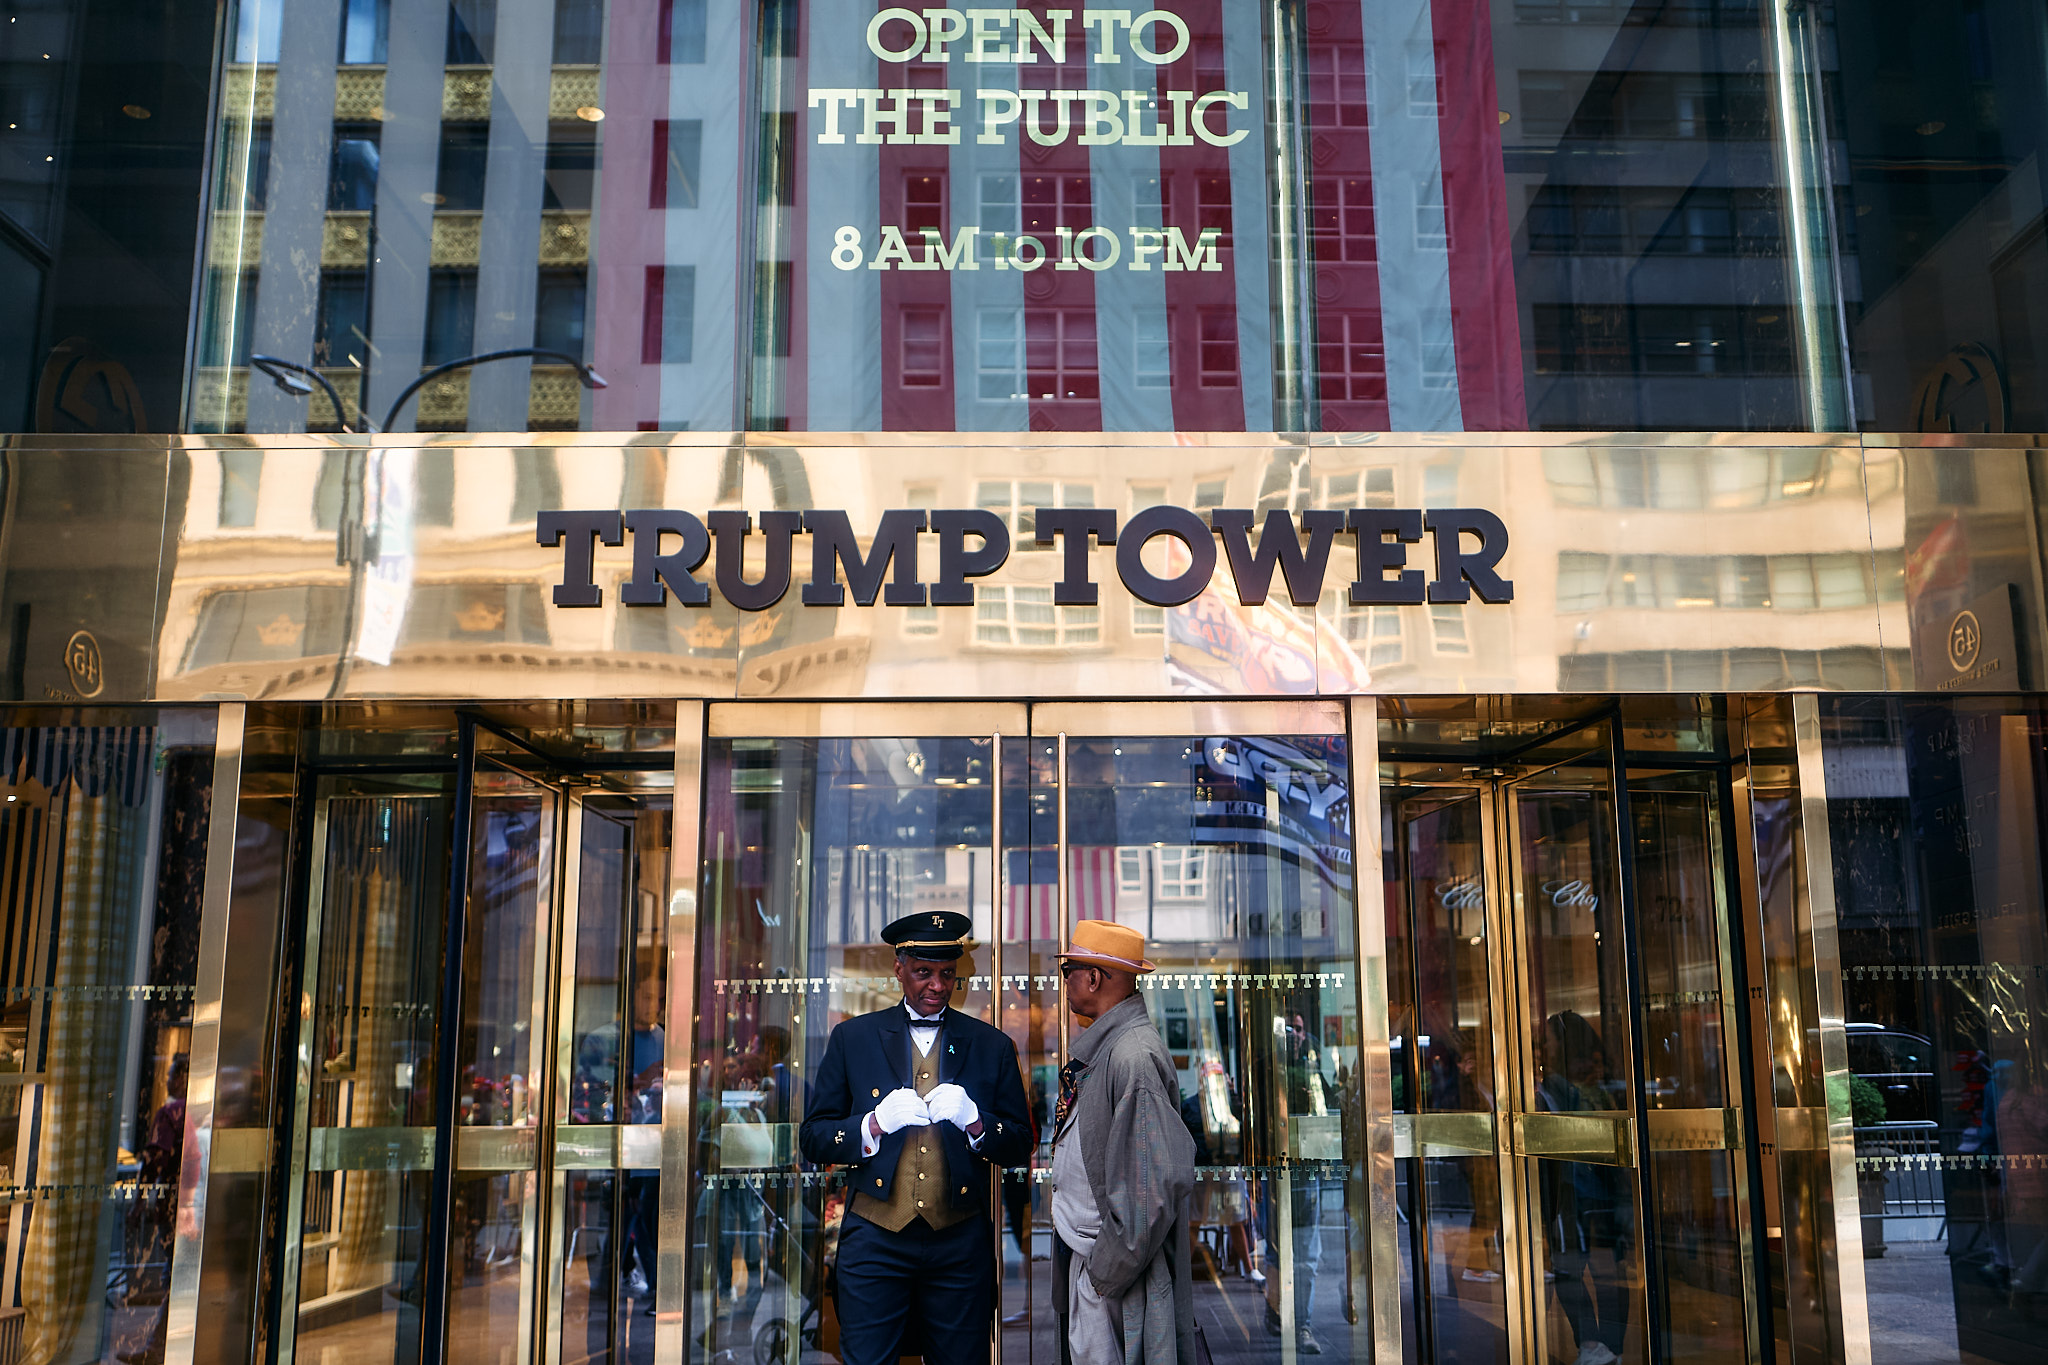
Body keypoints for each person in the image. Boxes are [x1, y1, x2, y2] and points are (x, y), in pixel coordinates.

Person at [798, 910, 1033, 1365]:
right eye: (924, 973)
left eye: (947, 974)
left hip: (960, 1241)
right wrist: (871, 1125)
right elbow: (813, 1137)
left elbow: (1020, 1142)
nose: (937, 986)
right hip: (875, 1237)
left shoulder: (991, 1045)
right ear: (899, 968)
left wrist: (977, 1123)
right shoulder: (853, 1038)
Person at [1050, 921, 1196, 1365]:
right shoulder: (1114, 1049)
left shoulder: (1131, 1055)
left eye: (1068, 971)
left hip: (1113, 1276)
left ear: (1093, 977)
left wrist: (1102, 1277)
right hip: (1102, 1268)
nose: (1066, 982)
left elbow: (1150, 1191)